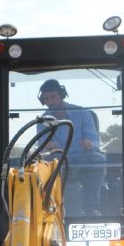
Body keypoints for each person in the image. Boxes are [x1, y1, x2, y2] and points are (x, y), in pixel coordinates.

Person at [37, 79, 106, 214]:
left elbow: (94, 141)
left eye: (53, 97)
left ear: (62, 95)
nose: (50, 102)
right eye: (46, 98)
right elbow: (42, 145)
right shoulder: (42, 120)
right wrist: (46, 146)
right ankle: (57, 209)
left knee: (98, 158)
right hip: (57, 161)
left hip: (82, 159)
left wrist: (89, 144)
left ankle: (92, 208)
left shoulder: (83, 113)